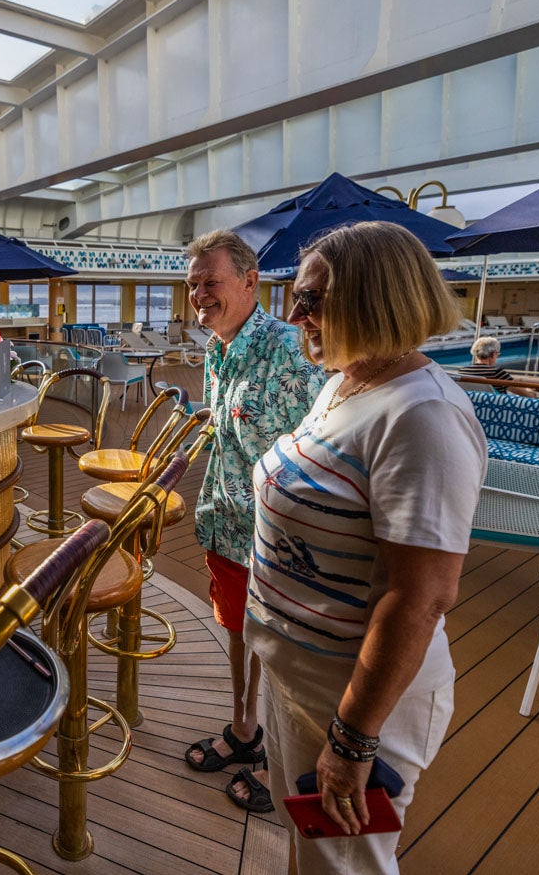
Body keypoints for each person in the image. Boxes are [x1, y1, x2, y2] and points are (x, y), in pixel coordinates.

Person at [250, 221, 486, 873]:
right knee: (312, 849)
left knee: (345, 862)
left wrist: (352, 740)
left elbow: (421, 595)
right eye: (296, 296)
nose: (294, 314)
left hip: (355, 697)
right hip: (297, 673)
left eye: (313, 298)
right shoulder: (346, 382)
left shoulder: (422, 416)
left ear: (377, 296)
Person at [181, 229, 325, 812]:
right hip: (227, 525)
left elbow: (320, 448)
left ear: (249, 281)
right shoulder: (217, 350)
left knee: (281, 650)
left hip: (278, 537)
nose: (199, 295)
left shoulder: (290, 349)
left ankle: (284, 765)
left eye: (210, 282)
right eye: (192, 285)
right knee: (240, 633)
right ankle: (244, 730)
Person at [458, 336, 539, 397]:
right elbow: (527, 395)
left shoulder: (463, 372)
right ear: (493, 354)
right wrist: (530, 390)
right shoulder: (496, 373)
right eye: (497, 354)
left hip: (471, 410)